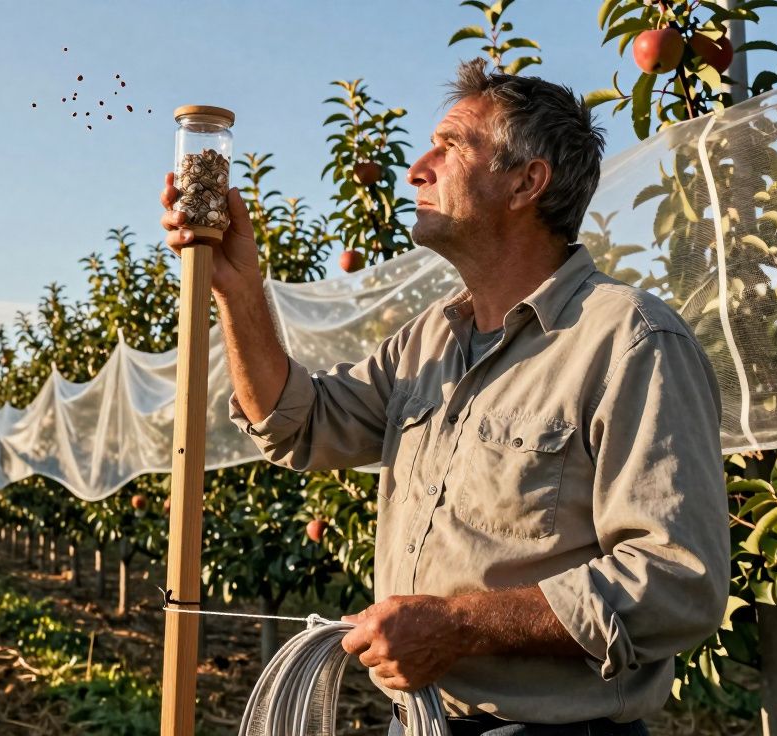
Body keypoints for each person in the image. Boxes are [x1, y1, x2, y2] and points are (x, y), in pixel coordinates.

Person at [159, 59, 728, 736]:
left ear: (526, 181)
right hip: (421, 720)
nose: (416, 169)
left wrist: (460, 626)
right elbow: (299, 424)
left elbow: (677, 580)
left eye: (452, 146)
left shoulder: (629, 340)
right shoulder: (428, 341)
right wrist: (238, 286)